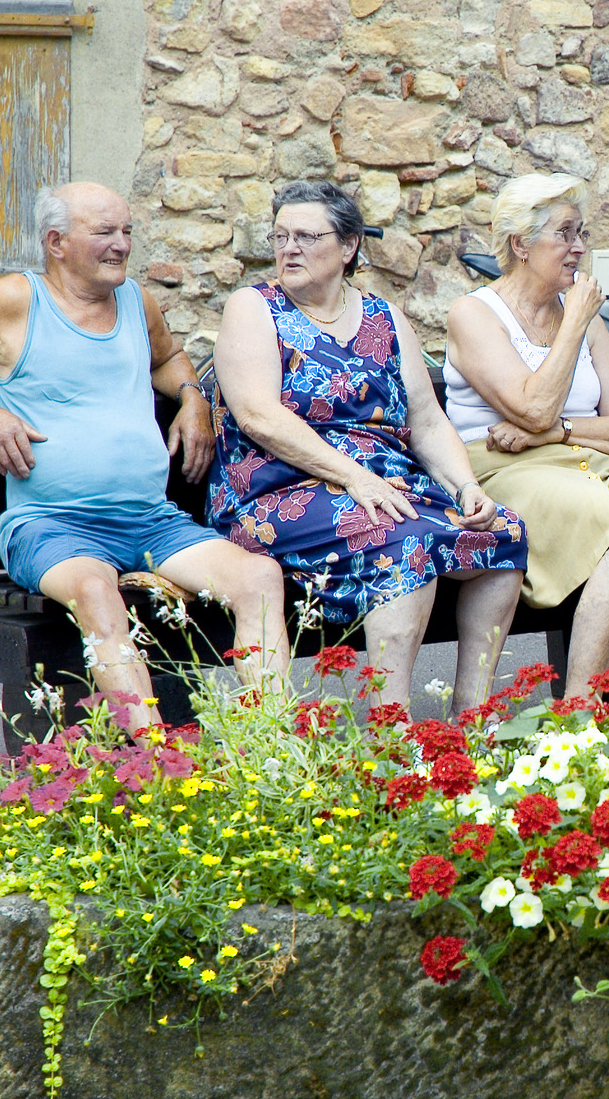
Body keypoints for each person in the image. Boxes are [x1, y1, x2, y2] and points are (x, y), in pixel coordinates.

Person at [0, 182, 291, 726]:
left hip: (152, 522)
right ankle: (159, 766)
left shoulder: (135, 300)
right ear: (56, 242)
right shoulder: (16, 300)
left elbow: (170, 356)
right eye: (105, 232)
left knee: (260, 579)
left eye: (127, 231)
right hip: (54, 526)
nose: (122, 245)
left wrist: (192, 398)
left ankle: (273, 748)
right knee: (95, 592)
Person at [205, 181, 527, 711]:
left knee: (503, 533)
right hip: (279, 493)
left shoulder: (385, 318)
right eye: (281, 235)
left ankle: (474, 719)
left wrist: (467, 486)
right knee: (405, 542)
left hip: (384, 490)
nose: (289, 248)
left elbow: (426, 422)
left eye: (307, 236)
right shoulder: (254, 308)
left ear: (349, 246)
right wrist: (353, 477)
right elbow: (259, 417)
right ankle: (391, 730)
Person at [441, 173, 609, 715]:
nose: (580, 248)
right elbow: (534, 404)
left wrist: (556, 431)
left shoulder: (578, 315)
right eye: (566, 234)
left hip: (577, 458)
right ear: (520, 244)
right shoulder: (474, 314)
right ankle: (579, 717)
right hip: (502, 469)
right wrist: (572, 333)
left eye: (581, 233)